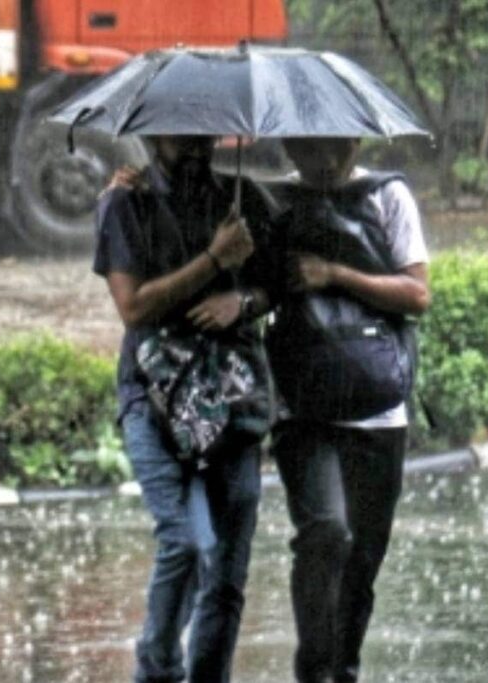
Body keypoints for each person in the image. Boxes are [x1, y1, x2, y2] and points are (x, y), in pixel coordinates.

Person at [92, 134, 276, 683]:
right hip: (155, 397)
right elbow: (134, 307)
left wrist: (243, 300)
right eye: (181, 132)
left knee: (227, 575)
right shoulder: (126, 203)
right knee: (185, 542)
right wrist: (214, 260)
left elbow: (278, 283)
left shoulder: (244, 199)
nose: (196, 142)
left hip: (233, 396)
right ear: (152, 135)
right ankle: (158, 670)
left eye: (204, 131)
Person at [270, 136, 431, 683]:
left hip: (378, 407)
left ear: (358, 141)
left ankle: (343, 670)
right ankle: (315, 672)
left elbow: (417, 294)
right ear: (289, 148)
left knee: (362, 558)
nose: (326, 161)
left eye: (337, 148)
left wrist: (335, 274)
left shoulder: (387, 197)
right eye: (311, 149)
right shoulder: (274, 202)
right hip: (303, 407)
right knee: (325, 534)